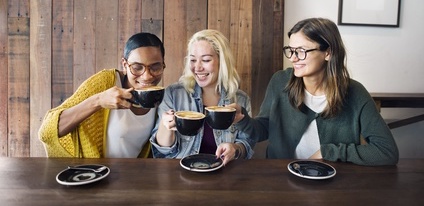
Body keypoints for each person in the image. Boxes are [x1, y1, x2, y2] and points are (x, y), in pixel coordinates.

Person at [231, 18, 399, 166]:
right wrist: (242, 119)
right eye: (291, 50)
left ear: (328, 52)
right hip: (282, 178)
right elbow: (263, 130)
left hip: (333, 183)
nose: (293, 58)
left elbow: (387, 152)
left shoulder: (355, 93)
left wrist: (329, 152)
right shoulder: (280, 81)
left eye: (302, 51)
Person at [39, 32, 166, 158]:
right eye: (137, 67)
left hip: (130, 176)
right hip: (93, 174)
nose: (147, 76)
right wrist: (99, 101)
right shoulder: (106, 82)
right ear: (124, 65)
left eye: (155, 67)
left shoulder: (160, 97)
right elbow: (46, 131)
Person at [150, 29, 254, 165]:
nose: (197, 67)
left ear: (222, 61)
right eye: (193, 60)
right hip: (181, 174)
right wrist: (166, 126)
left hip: (224, 174)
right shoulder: (173, 94)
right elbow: (162, 152)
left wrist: (235, 148)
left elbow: (247, 143)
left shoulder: (240, 99)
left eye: (205, 60)